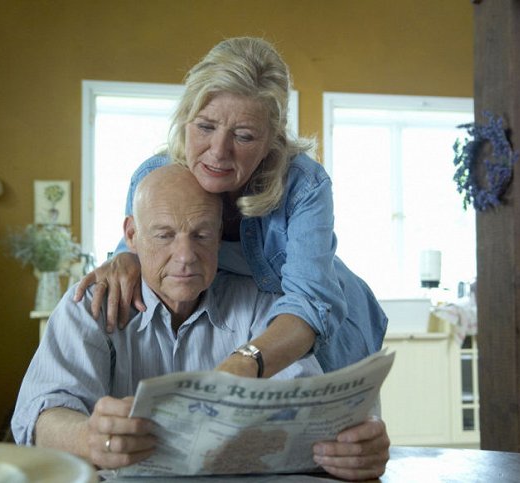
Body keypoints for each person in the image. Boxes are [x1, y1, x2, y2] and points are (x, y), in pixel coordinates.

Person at [75, 37, 390, 480]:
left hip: (319, 328)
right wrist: (124, 257)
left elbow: (308, 304)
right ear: (185, 119)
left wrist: (240, 365)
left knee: (337, 454)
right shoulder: (153, 174)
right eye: (205, 127)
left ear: (271, 141)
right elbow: (141, 242)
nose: (218, 152)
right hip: (238, 327)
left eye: (243, 136)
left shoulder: (305, 185)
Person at [11, 165, 324, 470]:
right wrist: (87, 436)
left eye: (201, 235)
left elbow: (313, 407)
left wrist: (351, 442)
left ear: (219, 236)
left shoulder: (259, 304)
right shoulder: (90, 304)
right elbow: (39, 414)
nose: (185, 256)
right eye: (164, 235)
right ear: (132, 235)